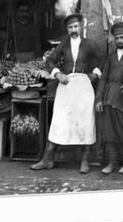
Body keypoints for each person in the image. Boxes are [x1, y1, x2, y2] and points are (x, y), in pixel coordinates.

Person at [31, 13, 102, 174]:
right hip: (66, 85)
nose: (73, 30)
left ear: (82, 26)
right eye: (70, 27)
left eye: (76, 26)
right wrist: (57, 74)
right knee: (59, 120)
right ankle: (47, 159)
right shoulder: (63, 45)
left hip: (84, 86)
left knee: (85, 122)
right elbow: (50, 61)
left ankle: (85, 160)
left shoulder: (89, 44)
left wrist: (95, 74)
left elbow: (102, 59)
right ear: (67, 29)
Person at [94, 21, 123, 174]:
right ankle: (112, 163)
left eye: (122, 37)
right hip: (108, 98)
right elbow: (103, 79)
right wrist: (99, 99)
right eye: (117, 38)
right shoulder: (111, 57)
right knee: (109, 131)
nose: (119, 40)